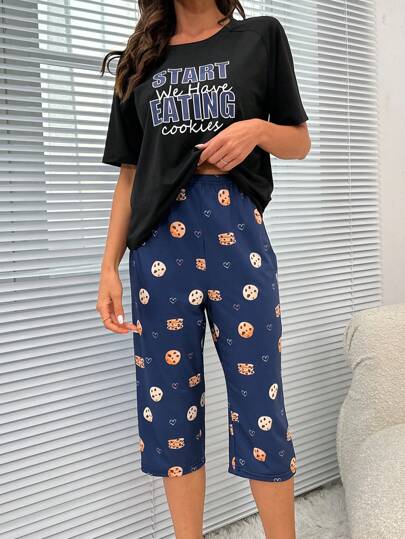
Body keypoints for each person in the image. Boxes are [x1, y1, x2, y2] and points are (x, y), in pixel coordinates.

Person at [97, 1, 311, 537]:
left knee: (261, 403)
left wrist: (256, 130)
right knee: (169, 413)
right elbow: (130, 176)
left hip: (237, 238)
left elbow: (299, 141)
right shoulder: (141, 61)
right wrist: (108, 267)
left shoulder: (259, 37)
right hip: (158, 251)